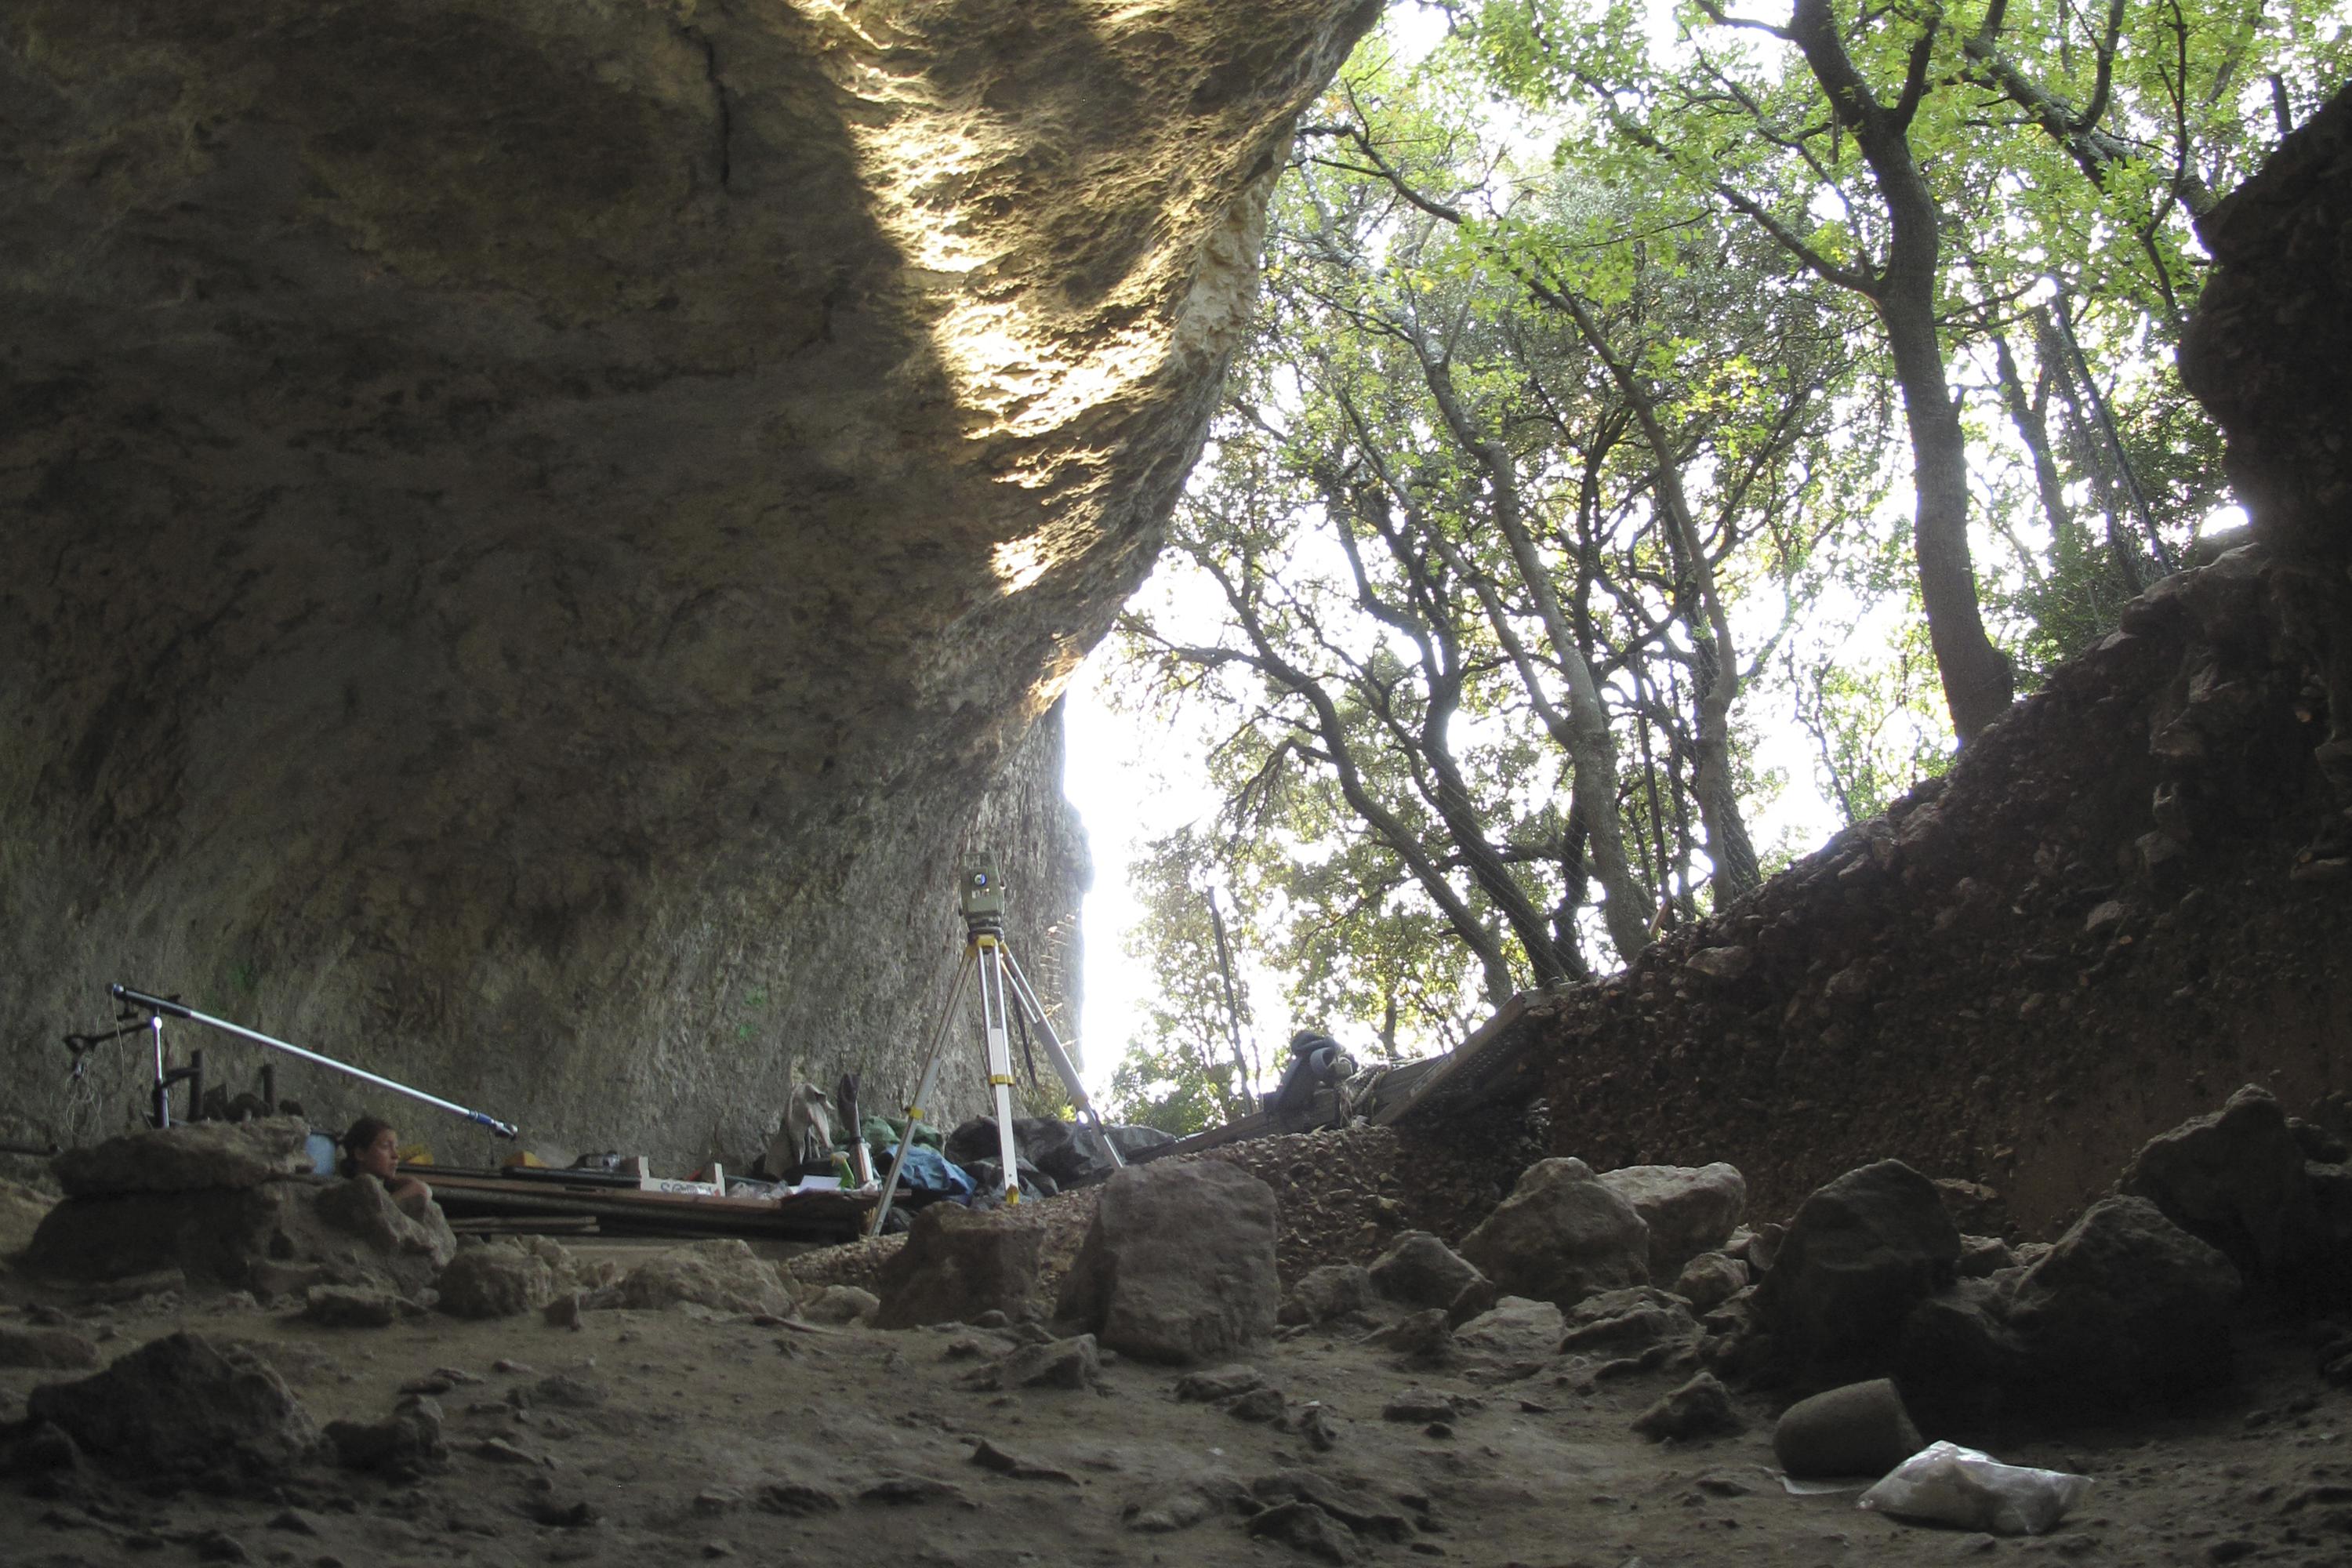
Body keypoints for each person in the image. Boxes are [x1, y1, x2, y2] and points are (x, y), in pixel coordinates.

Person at [339, 1116, 433, 1217]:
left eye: (396, 1148)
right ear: (360, 1154)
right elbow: (421, 1189)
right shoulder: (349, 1194)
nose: (396, 1155)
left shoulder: (389, 1191)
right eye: (385, 1147)